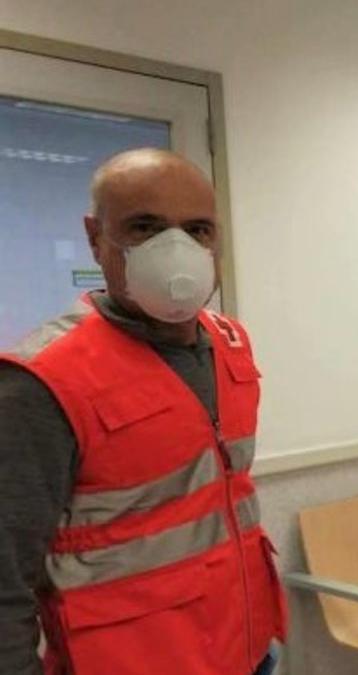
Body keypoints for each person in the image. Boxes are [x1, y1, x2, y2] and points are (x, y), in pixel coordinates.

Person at [0, 149, 286, 675]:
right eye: (145, 227)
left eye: (197, 230)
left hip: (244, 652)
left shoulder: (230, 343)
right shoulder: (41, 382)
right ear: (95, 237)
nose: (176, 250)